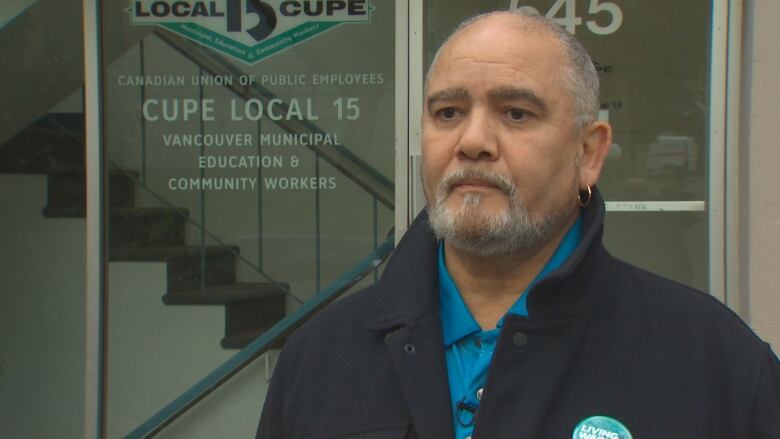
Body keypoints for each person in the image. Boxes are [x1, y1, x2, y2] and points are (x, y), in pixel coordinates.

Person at [256, 10, 780, 439]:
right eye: (448, 113)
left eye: (516, 113)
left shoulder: (711, 362)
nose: (472, 140)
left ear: (589, 152)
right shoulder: (320, 358)